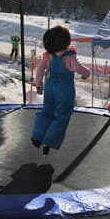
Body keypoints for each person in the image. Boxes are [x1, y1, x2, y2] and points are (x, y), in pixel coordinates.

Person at [31, 26, 90, 155]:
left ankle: (37, 136)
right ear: (65, 41)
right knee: (62, 114)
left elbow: (40, 69)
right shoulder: (69, 56)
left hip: (50, 85)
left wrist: (38, 84)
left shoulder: (48, 56)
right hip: (64, 87)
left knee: (47, 111)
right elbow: (77, 67)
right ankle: (50, 141)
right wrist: (87, 73)